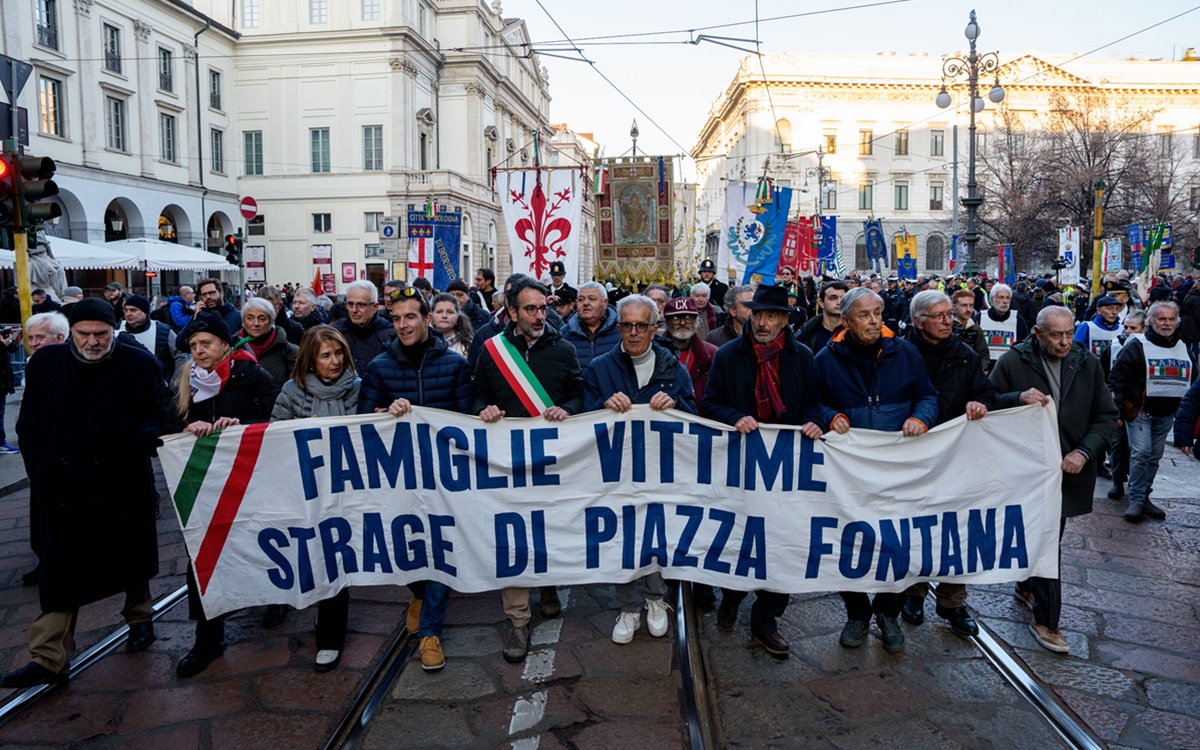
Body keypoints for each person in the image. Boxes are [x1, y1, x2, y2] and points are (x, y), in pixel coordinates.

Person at [0, 299, 165, 688]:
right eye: (84, 334)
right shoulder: (45, 364)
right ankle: (49, 657)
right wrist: (41, 473)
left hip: (121, 479)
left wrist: (148, 437)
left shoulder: (140, 364)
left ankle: (140, 618)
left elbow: (154, 414)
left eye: (101, 334)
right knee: (60, 570)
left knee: (131, 556)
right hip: (62, 483)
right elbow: (29, 423)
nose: (92, 342)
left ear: (114, 332)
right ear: (70, 333)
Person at [813, 287, 939, 655]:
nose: (873, 321)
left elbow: (928, 396)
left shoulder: (904, 352)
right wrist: (830, 416)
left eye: (878, 313)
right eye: (865, 315)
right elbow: (812, 402)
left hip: (898, 469)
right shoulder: (825, 359)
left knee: (897, 541)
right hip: (849, 471)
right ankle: (856, 613)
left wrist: (920, 417)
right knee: (848, 539)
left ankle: (888, 613)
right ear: (847, 320)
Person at [702, 285, 825, 659]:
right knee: (741, 538)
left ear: (785, 320)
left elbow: (814, 402)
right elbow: (709, 404)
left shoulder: (802, 357)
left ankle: (766, 620)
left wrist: (815, 422)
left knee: (783, 544)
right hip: (740, 468)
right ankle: (731, 596)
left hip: (785, 472)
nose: (763, 322)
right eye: (757, 314)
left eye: (771, 315)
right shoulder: (727, 356)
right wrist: (734, 416)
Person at [358, 287, 474, 670]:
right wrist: (383, 412)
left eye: (411, 316)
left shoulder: (455, 365)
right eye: (396, 318)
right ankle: (420, 592)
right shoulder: (379, 367)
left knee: (438, 547)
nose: (403, 324)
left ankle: (430, 632)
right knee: (401, 546)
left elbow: (465, 421)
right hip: (397, 477)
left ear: (427, 319)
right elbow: (363, 421)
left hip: (442, 476)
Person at [990, 306, 1118, 653]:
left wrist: (1084, 452)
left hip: (1067, 469)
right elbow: (986, 402)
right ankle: (1045, 618)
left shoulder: (1087, 362)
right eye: (1055, 335)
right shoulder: (1014, 362)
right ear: (1037, 332)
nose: (1064, 342)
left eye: (1068, 333)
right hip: (1025, 469)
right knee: (1042, 539)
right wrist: (1015, 398)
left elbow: (1106, 416)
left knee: (1049, 539)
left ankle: (1035, 597)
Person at [472, 278, 583, 663]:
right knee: (513, 537)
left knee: (549, 528)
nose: (540, 316)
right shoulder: (490, 351)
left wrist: (566, 408)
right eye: (531, 310)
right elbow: (475, 395)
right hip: (507, 463)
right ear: (512, 310)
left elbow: (577, 393)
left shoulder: (564, 349)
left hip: (552, 461)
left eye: (543, 308)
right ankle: (518, 620)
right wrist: (482, 410)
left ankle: (549, 583)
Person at [172, 310, 283, 678]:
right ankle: (208, 639)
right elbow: (164, 421)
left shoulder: (252, 375)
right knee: (203, 557)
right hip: (205, 485)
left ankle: (275, 599)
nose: (200, 351)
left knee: (259, 543)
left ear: (224, 344)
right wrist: (188, 425)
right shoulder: (186, 380)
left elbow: (276, 419)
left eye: (206, 344)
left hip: (251, 479)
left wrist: (242, 428)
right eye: (193, 345)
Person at [584, 295, 695, 645]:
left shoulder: (673, 367)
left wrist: (676, 404)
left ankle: (656, 599)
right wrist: (602, 405)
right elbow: (581, 415)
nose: (633, 333)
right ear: (618, 328)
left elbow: (694, 412)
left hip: (659, 469)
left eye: (641, 326)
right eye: (627, 326)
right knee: (622, 537)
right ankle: (628, 605)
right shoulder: (600, 367)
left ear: (654, 328)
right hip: (616, 471)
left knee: (655, 533)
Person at [899, 291, 997, 637]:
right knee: (917, 526)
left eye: (949, 315)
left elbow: (986, 393)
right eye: (939, 316)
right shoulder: (898, 353)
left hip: (957, 456)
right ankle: (914, 592)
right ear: (918, 321)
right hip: (914, 455)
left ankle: (953, 601)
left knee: (959, 529)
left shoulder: (965, 354)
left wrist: (979, 403)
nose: (948, 321)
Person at [270, 326, 361, 671]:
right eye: (326, 355)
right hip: (308, 491)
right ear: (311, 358)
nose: (335, 361)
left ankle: (330, 637)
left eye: (339, 354)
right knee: (314, 556)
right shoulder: (291, 392)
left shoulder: (358, 388)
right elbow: (275, 437)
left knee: (336, 558)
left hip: (348, 490)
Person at [1109, 302, 1190, 523]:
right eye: (1162, 319)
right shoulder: (1136, 345)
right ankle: (1135, 500)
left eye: (1171, 319)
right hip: (1140, 412)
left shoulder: (1183, 347)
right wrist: (1117, 411)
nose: (1167, 323)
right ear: (1151, 323)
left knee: (1154, 457)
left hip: (1167, 413)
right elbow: (1117, 379)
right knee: (1141, 453)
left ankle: (1145, 496)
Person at [1101, 311, 1146, 500]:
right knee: (1118, 444)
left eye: (1133, 328)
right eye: (1126, 327)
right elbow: (1104, 374)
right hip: (1119, 403)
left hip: (1140, 407)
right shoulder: (1113, 346)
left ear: (1144, 329)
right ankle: (1118, 482)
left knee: (1141, 451)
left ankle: (1140, 487)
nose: (1127, 331)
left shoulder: (1149, 348)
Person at [665, 298, 717, 409]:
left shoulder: (712, 355)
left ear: (696, 321)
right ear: (667, 321)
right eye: (676, 318)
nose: (683, 323)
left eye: (688, 318)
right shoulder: (654, 354)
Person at [332, 280, 393, 373]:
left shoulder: (390, 334)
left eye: (361, 305)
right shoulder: (336, 332)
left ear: (375, 307)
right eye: (350, 304)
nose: (354, 310)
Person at [237, 297, 299, 386]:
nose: (256, 324)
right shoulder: (232, 347)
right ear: (243, 321)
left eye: (262, 319)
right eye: (250, 318)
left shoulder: (289, 351)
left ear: (271, 321)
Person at [118, 295, 176, 385]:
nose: (128, 314)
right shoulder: (117, 330)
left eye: (133, 310)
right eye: (125, 310)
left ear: (145, 312)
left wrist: (173, 384)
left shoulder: (163, 330)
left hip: (157, 387)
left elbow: (180, 355)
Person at [562, 281, 620, 370]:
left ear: (605, 302)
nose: (586, 303)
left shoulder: (620, 331)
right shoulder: (564, 333)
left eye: (592, 299)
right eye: (581, 299)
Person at [976, 283, 1029, 372]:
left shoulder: (1018, 320)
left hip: (1009, 369)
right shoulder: (980, 318)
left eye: (1007, 298)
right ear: (992, 300)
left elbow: (1024, 348)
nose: (1005, 301)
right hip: (984, 370)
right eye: (1001, 297)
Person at [797, 280, 849, 355]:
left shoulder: (854, 332)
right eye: (833, 298)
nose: (839, 302)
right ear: (821, 303)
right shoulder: (806, 333)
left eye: (843, 298)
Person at [950, 288, 990, 372]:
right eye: (964, 305)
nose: (968, 309)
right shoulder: (947, 327)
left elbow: (983, 352)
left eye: (971, 305)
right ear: (954, 306)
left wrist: (981, 369)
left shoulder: (975, 328)